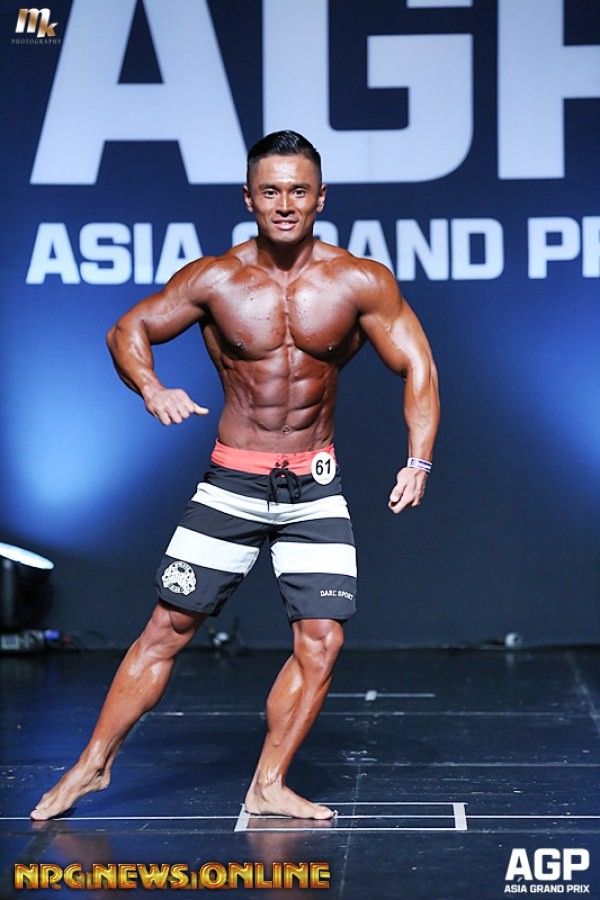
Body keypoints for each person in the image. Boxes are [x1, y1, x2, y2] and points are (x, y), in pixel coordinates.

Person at [30, 131, 440, 822]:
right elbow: (127, 331)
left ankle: (268, 783)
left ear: (321, 198)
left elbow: (418, 364)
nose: (285, 204)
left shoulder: (359, 281)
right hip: (233, 481)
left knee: (323, 640)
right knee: (167, 628)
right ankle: (93, 765)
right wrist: (152, 388)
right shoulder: (215, 279)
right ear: (248, 198)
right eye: (271, 191)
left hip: (314, 484)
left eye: (299, 190)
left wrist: (418, 458)